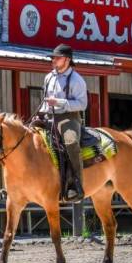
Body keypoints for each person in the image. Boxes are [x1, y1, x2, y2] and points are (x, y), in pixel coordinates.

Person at [37, 44, 88, 202]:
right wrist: (41, 113)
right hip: (48, 116)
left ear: (67, 60)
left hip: (69, 117)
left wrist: (59, 102)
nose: (53, 60)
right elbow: (46, 101)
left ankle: (76, 185)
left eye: (57, 58)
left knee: (71, 142)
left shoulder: (77, 80)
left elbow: (82, 104)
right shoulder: (49, 77)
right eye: (53, 57)